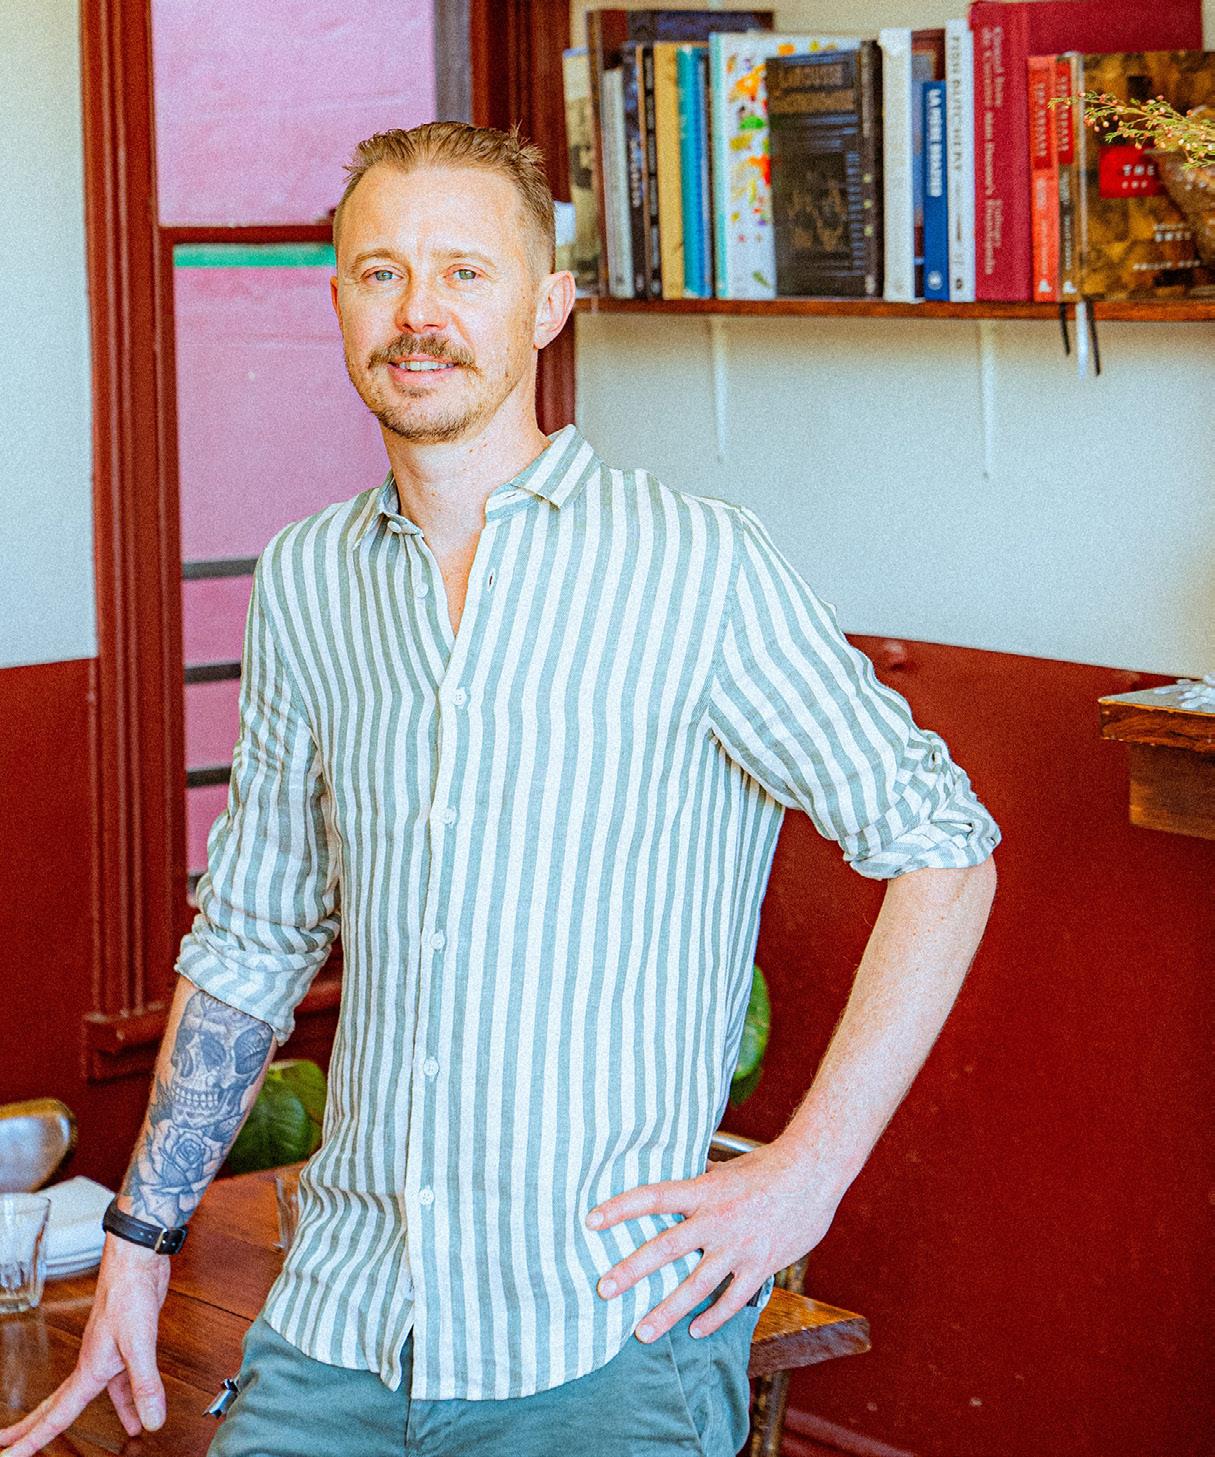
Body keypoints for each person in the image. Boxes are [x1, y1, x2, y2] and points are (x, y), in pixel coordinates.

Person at [0, 121, 998, 1457]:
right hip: (339, 1325)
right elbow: (251, 937)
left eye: (465, 272)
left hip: (603, 1341)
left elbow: (944, 847)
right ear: (340, 301)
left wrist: (807, 1172)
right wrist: (137, 1243)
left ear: (547, 304)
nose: (419, 313)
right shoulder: (307, 578)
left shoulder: (695, 567)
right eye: (382, 273)